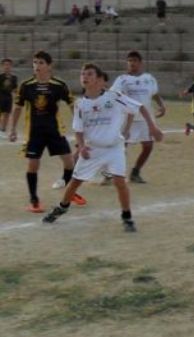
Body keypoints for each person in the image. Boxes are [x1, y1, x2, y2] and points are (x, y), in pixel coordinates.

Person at [43, 64, 163, 232]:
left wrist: (152, 127)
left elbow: (139, 107)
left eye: (89, 74)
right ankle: (62, 207)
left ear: (99, 80)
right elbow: (78, 129)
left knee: (120, 182)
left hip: (114, 148)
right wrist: (82, 147)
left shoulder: (114, 96)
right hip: (93, 149)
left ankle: (127, 217)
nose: (85, 77)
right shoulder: (80, 104)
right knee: (75, 182)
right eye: (83, 74)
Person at [8, 51, 85, 212]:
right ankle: (34, 199)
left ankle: (70, 192)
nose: (37, 65)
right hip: (34, 132)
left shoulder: (59, 85)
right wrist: (13, 128)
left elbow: (72, 104)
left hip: (54, 130)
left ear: (49, 66)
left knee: (69, 162)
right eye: (35, 62)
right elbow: (18, 107)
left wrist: (80, 125)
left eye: (41, 62)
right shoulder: (26, 85)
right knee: (33, 165)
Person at [111, 51, 166, 183]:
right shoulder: (122, 79)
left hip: (145, 119)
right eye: (129, 61)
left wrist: (161, 105)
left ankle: (135, 172)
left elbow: (154, 94)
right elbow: (113, 96)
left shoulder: (149, 78)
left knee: (148, 146)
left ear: (140, 63)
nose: (132, 63)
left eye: (134, 60)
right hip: (127, 119)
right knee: (121, 146)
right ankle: (111, 173)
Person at [0, 58, 18, 134]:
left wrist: (17, 96)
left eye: (8, 65)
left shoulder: (14, 78)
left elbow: (15, 88)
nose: (7, 66)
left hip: (8, 98)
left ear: (11, 66)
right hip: (0, 96)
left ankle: (3, 130)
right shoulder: (0, 76)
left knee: (7, 113)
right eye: (5, 65)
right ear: (2, 66)